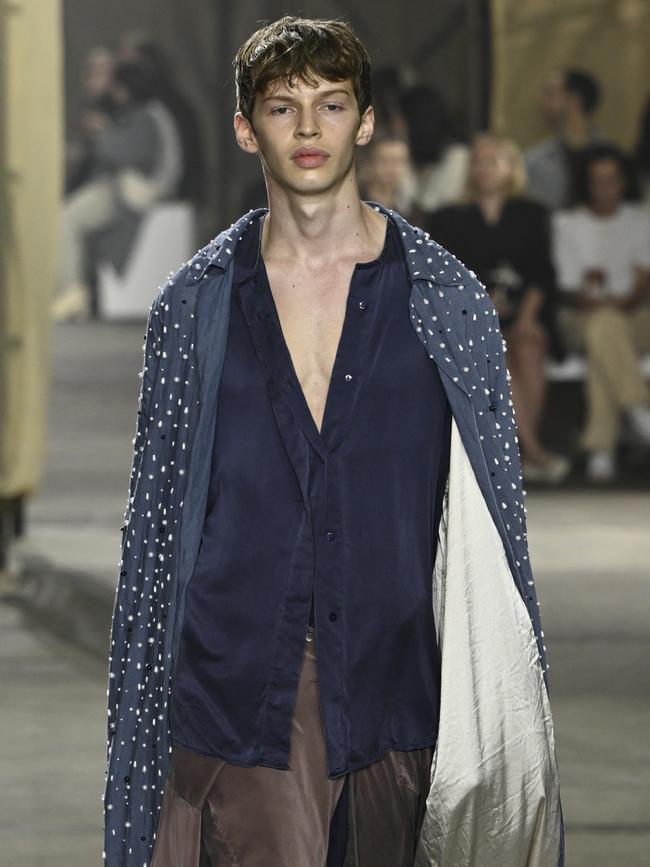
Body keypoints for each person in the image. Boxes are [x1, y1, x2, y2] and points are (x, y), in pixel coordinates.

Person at [102, 16, 565, 867]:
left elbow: (495, 529)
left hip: (399, 698)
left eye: (331, 103)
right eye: (283, 108)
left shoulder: (444, 301)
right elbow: (157, 524)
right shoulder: (192, 308)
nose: (309, 129)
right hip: (238, 690)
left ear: (368, 120)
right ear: (247, 129)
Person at [426, 133, 570, 484]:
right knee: (497, 350)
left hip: (526, 311)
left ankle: (517, 454)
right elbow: (444, 276)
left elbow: (542, 272)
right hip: (468, 318)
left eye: (494, 161)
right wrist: (481, 307)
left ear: (511, 168)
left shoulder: (532, 214)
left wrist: (526, 316)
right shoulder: (448, 217)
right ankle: (533, 452)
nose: (484, 168)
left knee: (529, 343)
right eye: (478, 161)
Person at [54, 60, 183, 322]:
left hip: (125, 191)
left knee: (67, 218)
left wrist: (103, 133)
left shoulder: (145, 116)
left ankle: (71, 293)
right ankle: (75, 293)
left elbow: (131, 154)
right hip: (123, 188)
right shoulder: (151, 113)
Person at [552, 143, 650, 482]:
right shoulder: (566, 223)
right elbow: (570, 289)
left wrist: (612, 305)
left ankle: (601, 447)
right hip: (581, 316)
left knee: (605, 335)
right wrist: (601, 305)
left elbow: (640, 285)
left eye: (612, 180)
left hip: (634, 315)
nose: (604, 188)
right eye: (597, 180)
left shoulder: (641, 220)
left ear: (624, 182)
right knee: (602, 328)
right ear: (585, 184)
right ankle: (637, 409)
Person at [525, 68, 604, 210]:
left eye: (550, 93)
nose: (541, 101)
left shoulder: (611, 159)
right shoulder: (534, 161)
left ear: (575, 100)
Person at [396, 84, 469, 224]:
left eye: (399, 119)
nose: (395, 125)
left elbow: (435, 206)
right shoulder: (406, 155)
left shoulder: (458, 156)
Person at [357, 131, 412, 215]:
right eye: (384, 161)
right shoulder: (352, 203)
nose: (391, 168)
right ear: (369, 162)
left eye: (398, 161)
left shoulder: (411, 211)